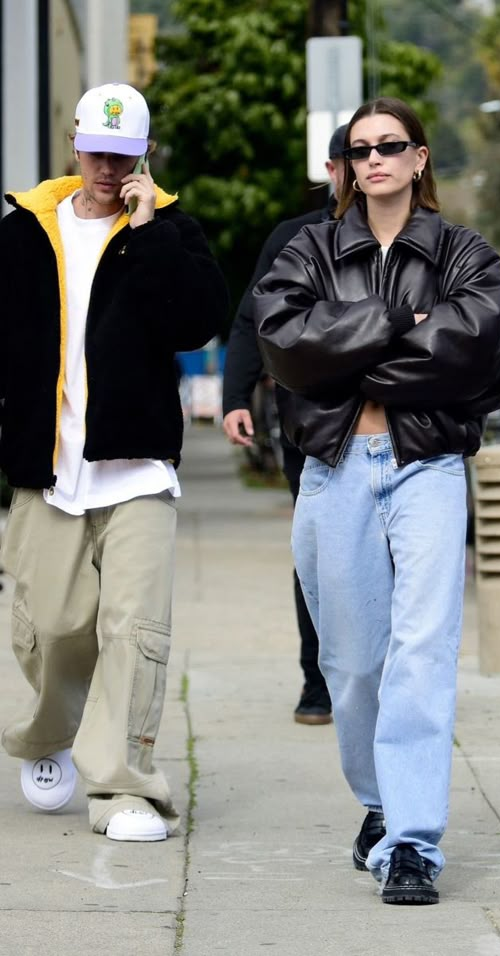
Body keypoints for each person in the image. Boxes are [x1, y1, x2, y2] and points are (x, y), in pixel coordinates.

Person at [254, 97, 500, 903]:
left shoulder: (465, 253)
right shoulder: (308, 249)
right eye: (360, 148)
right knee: (350, 665)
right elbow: (287, 347)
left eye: (392, 145)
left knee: (422, 649)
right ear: (344, 165)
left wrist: (347, 350)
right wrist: (396, 322)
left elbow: (472, 348)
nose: (375, 158)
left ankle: (412, 841)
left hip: (428, 465)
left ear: (419, 159)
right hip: (336, 469)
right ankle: (379, 803)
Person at [0, 83, 228, 841]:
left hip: (137, 469)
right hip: (47, 464)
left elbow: (197, 322)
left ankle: (124, 787)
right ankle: (46, 736)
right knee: (53, 627)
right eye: (97, 152)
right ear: (74, 144)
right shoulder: (25, 233)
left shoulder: (169, 230)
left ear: (145, 155)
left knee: (134, 631)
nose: (107, 167)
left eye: (124, 155)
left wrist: (150, 228)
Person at [222, 125, 348, 725]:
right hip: (310, 425)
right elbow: (252, 318)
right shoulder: (293, 237)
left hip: (393, 426)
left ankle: (379, 680)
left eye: (383, 152)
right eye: (355, 157)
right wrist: (235, 396)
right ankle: (317, 681)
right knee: (317, 554)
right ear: (331, 168)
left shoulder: (411, 236)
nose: (367, 167)